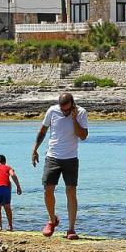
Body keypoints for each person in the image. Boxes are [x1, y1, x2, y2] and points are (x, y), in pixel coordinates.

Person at [32, 93, 88, 240]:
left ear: (72, 104)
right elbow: (43, 131)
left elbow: (83, 136)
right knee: (48, 189)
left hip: (71, 158)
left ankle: (71, 229)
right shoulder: (52, 110)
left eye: (67, 110)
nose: (64, 112)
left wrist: (74, 118)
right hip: (52, 156)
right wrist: (35, 149)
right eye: (62, 109)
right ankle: (52, 220)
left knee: (71, 192)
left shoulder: (81, 112)